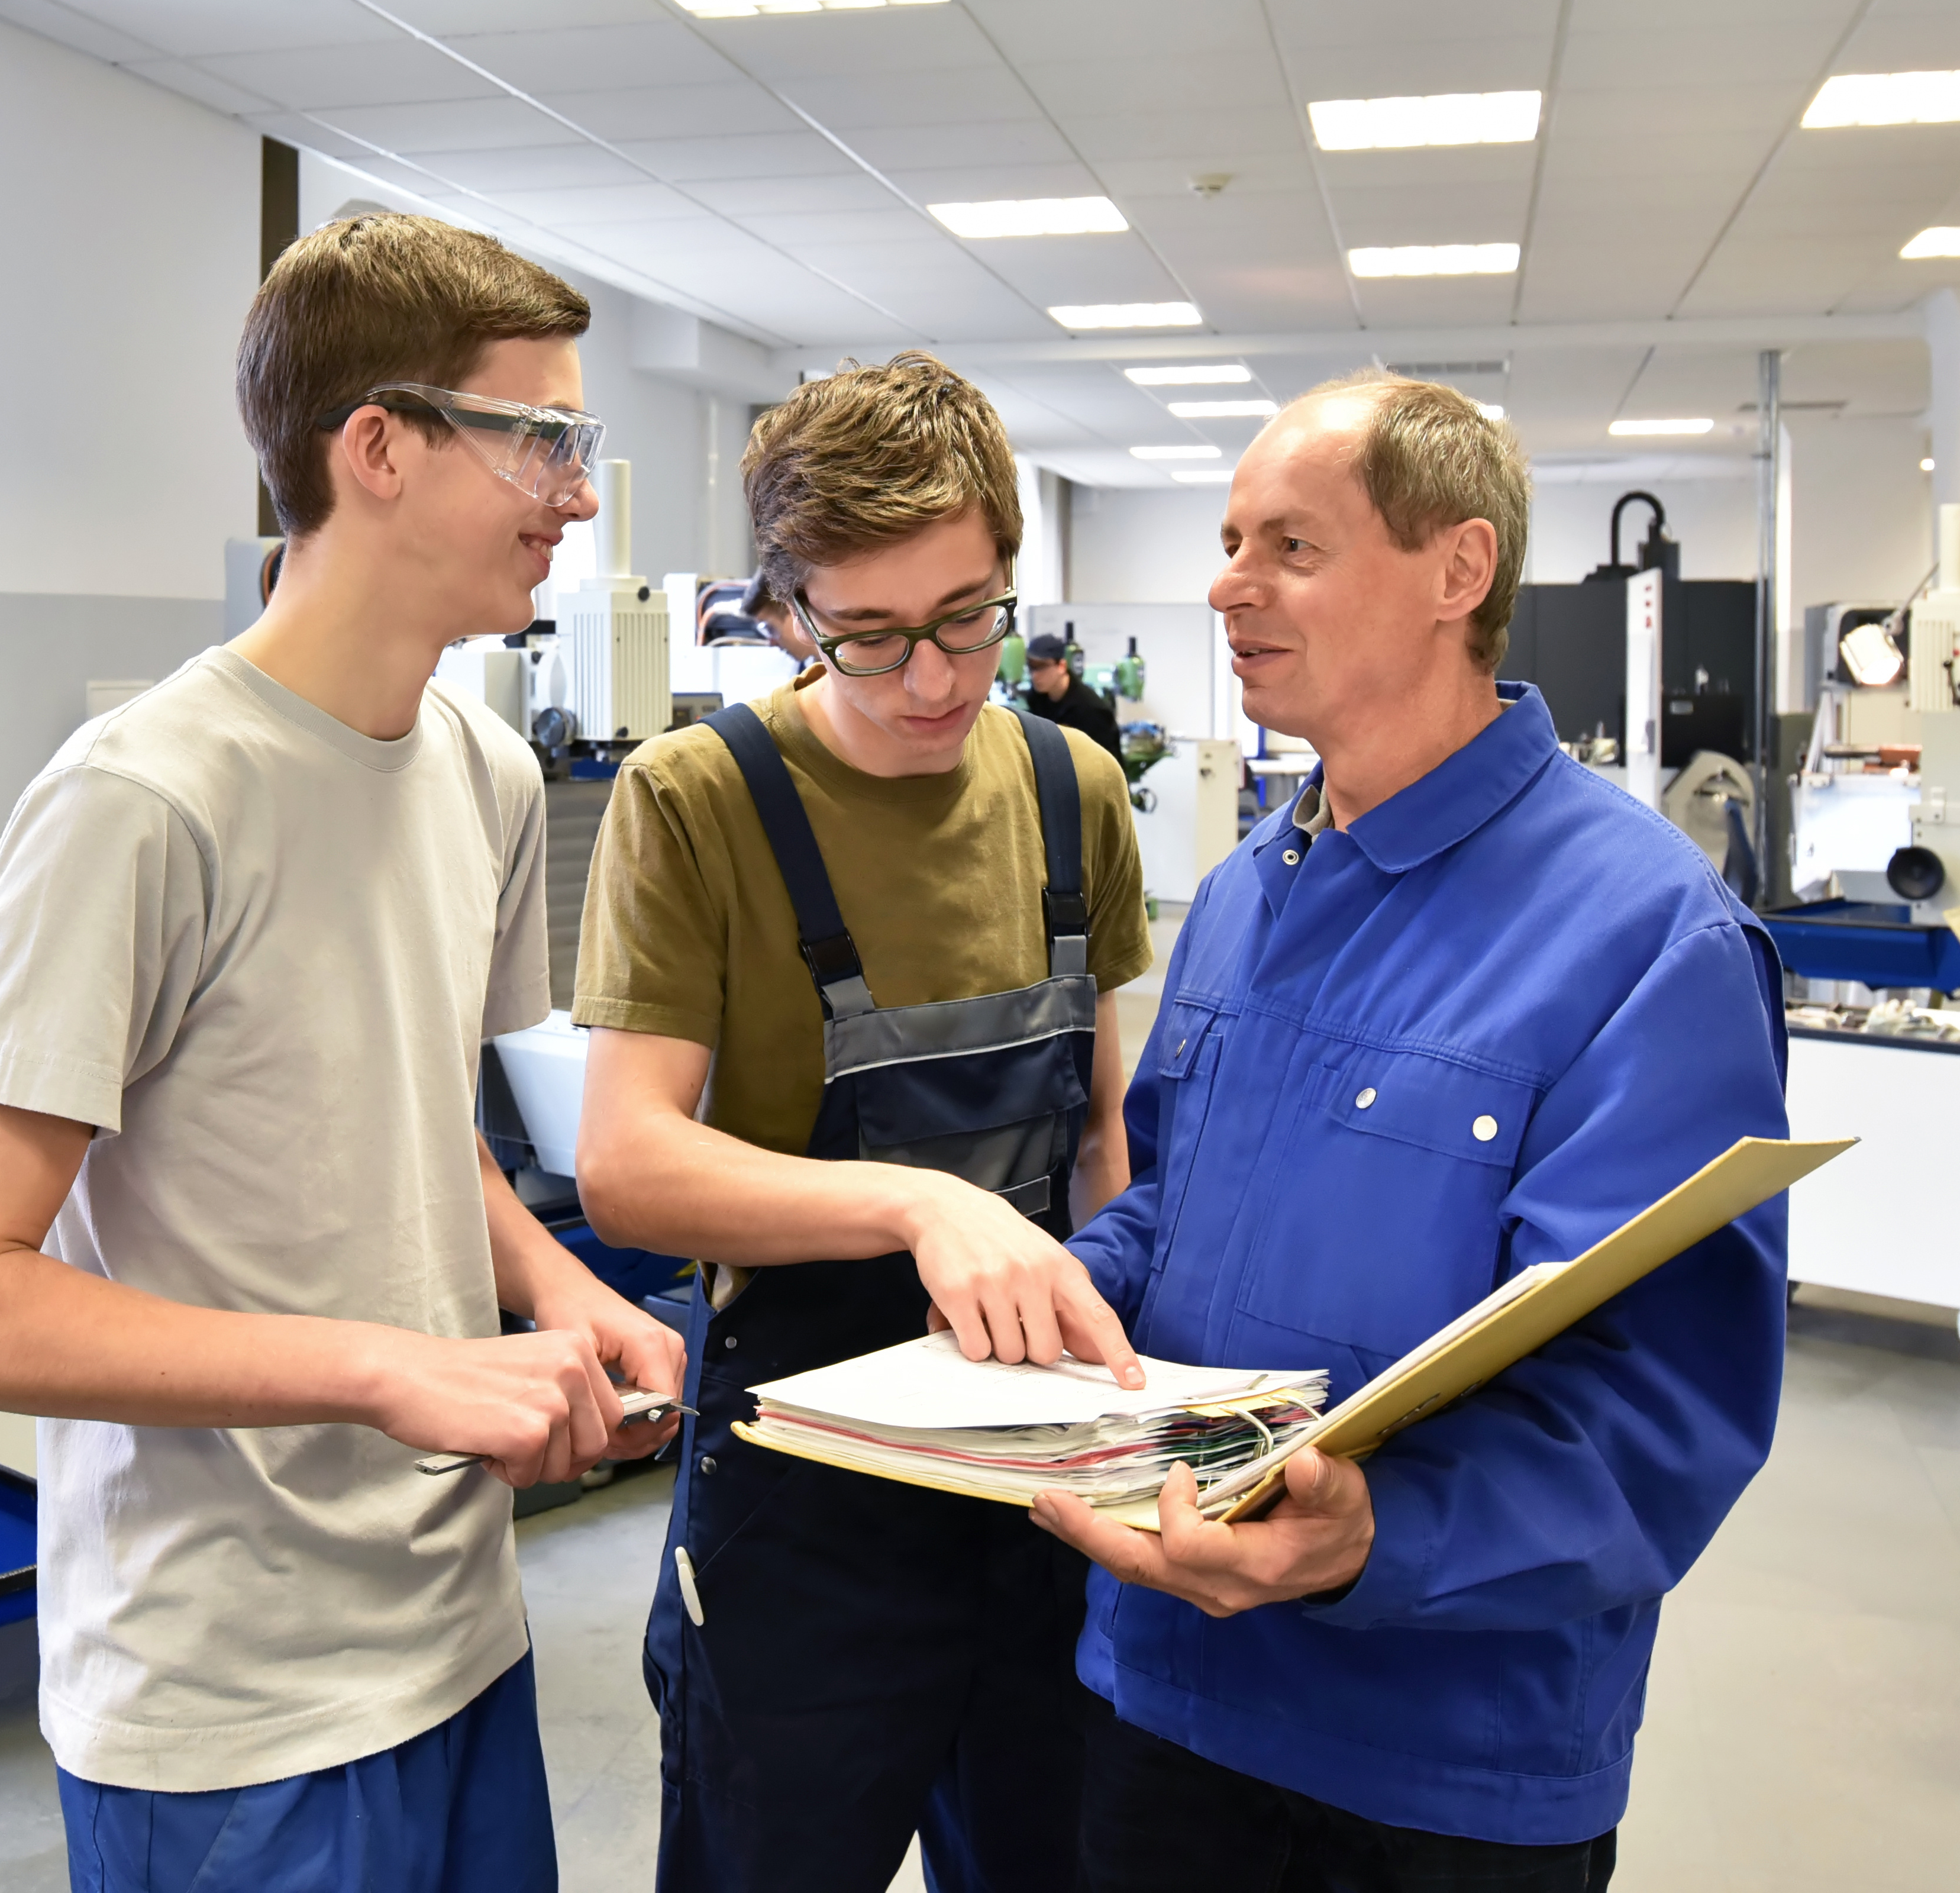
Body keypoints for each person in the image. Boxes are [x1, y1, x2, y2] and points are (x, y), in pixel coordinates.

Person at [0, 212, 686, 1893]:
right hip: (231, 1707)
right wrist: (388, 1366)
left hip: (459, 1634)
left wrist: (549, 1281)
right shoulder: (143, 801)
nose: (581, 496)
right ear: (378, 446)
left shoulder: (486, 776)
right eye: (545, 440)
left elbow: (402, 1124)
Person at [1031, 375, 1788, 1892]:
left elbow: (1664, 1408)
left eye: (1291, 548)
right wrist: (1063, 1288)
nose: (1226, 585)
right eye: (1230, 539)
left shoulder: (1648, 937)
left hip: (1443, 1768)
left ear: (1460, 573)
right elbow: (1177, 1203)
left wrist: (1380, 1532)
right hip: (1159, 1693)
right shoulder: (1250, 891)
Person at [571, 351, 1156, 1893]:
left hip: (1041, 1482)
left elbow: (1105, 1138)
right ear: (781, 616)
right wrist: (916, 1202)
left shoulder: (1071, 786)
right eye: (872, 636)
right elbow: (627, 1160)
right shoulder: (694, 801)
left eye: (971, 617)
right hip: (802, 1517)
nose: (937, 681)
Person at [1019, 634, 1122, 761]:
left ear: (1062, 666)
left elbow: (1106, 765)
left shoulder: (1091, 710)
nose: (1035, 675)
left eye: (1042, 667)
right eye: (1031, 667)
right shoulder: (1037, 698)